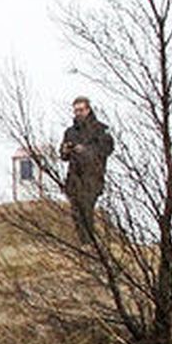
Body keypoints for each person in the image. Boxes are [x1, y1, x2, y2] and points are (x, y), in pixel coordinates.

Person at [59, 96, 114, 242]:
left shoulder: (101, 129)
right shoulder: (70, 132)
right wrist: (65, 150)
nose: (78, 113)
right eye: (76, 110)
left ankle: (90, 243)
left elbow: (106, 150)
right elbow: (63, 156)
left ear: (88, 109)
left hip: (92, 177)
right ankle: (85, 243)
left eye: (81, 110)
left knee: (87, 209)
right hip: (74, 178)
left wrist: (85, 150)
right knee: (76, 212)